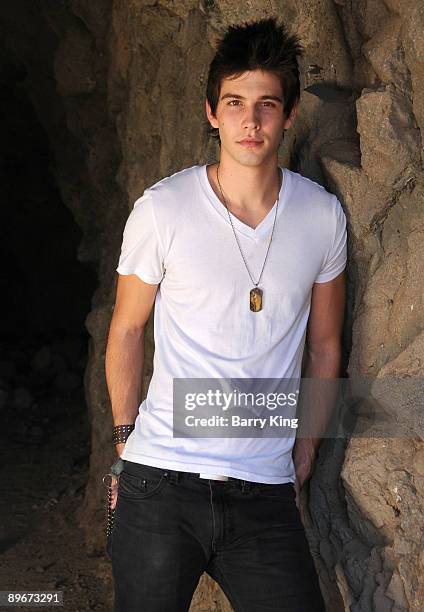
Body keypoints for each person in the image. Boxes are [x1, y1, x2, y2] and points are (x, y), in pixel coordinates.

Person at [105, 16, 347, 612]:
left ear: (289, 116)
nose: (251, 120)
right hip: (159, 483)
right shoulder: (163, 209)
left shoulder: (321, 217)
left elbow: (324, 347)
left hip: (264, 493)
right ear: (212, 111)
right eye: (236, 102)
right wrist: (123, 445)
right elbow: (127, 330)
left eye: (268, 104)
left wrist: (307, 446)